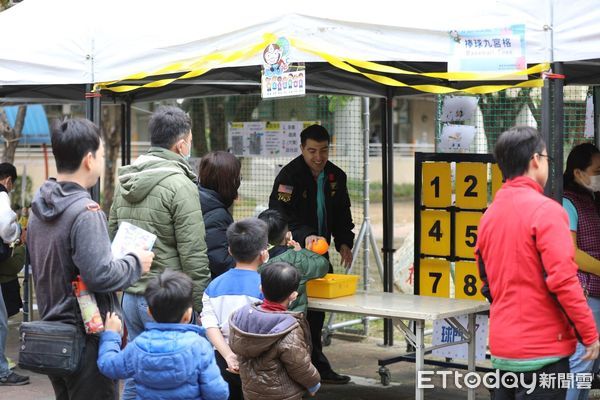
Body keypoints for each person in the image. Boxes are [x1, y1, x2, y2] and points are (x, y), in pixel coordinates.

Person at [27, 118, 154, 399]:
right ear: (88, 159)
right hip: (86, 338)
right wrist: (136, 262)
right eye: (102, 154)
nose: (103, 160)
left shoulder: (40, 207)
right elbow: (100, 275)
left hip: (53, 334)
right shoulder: (86, 212)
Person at [475, 126, 600, 399]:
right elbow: (564, 280)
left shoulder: (490, 215)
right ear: (535, 161)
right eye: (546, 158)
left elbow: (486, 279)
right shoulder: (547, 211)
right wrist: (589, 333)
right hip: (544, 352)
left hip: (503, 350)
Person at [108, 106, 211, 399]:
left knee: (137, 377)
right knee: (175, 380)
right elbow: (193, 251)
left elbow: (113, 232)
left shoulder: (126, 180)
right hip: (168, 300)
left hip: (131, 296)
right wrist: (199, 304)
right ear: (181, 144)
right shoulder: (181, 184)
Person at [268, 124, 354, 384]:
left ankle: (317, 365)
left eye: (324, 150)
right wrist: (305, 237)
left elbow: (342, 213)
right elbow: (281, 216)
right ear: (302, 149)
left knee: (317, 314)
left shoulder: (336, 176)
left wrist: (344, 242)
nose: (318, 157)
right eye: (312, 151)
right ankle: (293, 368)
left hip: (321, 255)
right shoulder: (289, 176)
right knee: (295, 312)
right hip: (294, 254)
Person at [97, 270, 229, 400]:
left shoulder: (137, 346)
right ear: (188, 314)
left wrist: (111, 334)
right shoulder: (200, 347)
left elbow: (108, 366)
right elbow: (218, 393)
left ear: (149, 312)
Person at [229, 262, 321, 400]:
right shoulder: (288, 328)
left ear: (261, 288)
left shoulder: (242, 316)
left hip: (251, 392)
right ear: (293, 295)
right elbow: (299, 365)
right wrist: (313, 383)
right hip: (283, 395)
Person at [200, 217, 268, 400]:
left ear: (229, 250)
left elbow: (209, 326)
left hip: (222, 359)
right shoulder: (265, 287)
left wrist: (229, 355)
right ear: (263, 253)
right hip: (255, 361)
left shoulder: (213, 287)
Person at [562, 143, 600, 400]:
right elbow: (571, 253)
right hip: (584, 292)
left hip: (594, 290)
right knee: (583, 360)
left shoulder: (589, 198)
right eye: (597, 170)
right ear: (578, 173)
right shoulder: (566, 202)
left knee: (590, 361)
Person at [257, 209, 328, 313]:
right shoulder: (296, 258)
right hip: (292, 319)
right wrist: (301, 252)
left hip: (262, 315)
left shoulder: (254, 257)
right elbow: (323, 265)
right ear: (287, 234)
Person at [0, 163, 28, 386]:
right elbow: (5, 226)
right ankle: (1, 371)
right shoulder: (1, 195)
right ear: (8, 180)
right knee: (0, 322)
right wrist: (17, 232)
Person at [198, 151, 241, 279]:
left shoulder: (201, 197)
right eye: (237, 177)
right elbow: (221, 262)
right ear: (228, 181)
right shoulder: (216, 215)